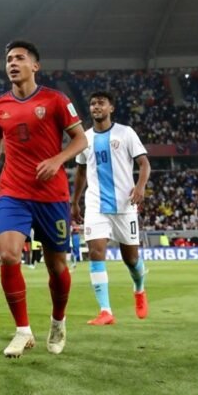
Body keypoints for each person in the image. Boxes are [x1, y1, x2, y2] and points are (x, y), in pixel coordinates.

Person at [0, 40, 87, 358]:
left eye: (20, 58)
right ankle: (23, 331)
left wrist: (57, 160)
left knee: (56, 266)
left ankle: (58, 321)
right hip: (14, 192)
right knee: (8, 255)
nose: (12, 63)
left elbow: (80, 139)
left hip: (52, 196)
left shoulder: (55, 100)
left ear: (34, 65)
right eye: (9, 58)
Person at [70, 91, 151, 325]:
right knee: (96, 251)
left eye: (101, 103)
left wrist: (140, 187)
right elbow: (82, 171)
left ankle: (139, 288)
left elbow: (144, 163)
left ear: (111, 108)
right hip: (96, 204)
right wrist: (75, 200)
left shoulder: (125, 133)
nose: (96, 107)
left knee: (131, 259)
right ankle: (106, 311)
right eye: (93, 103)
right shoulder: (84, 139)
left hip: (126, 204)